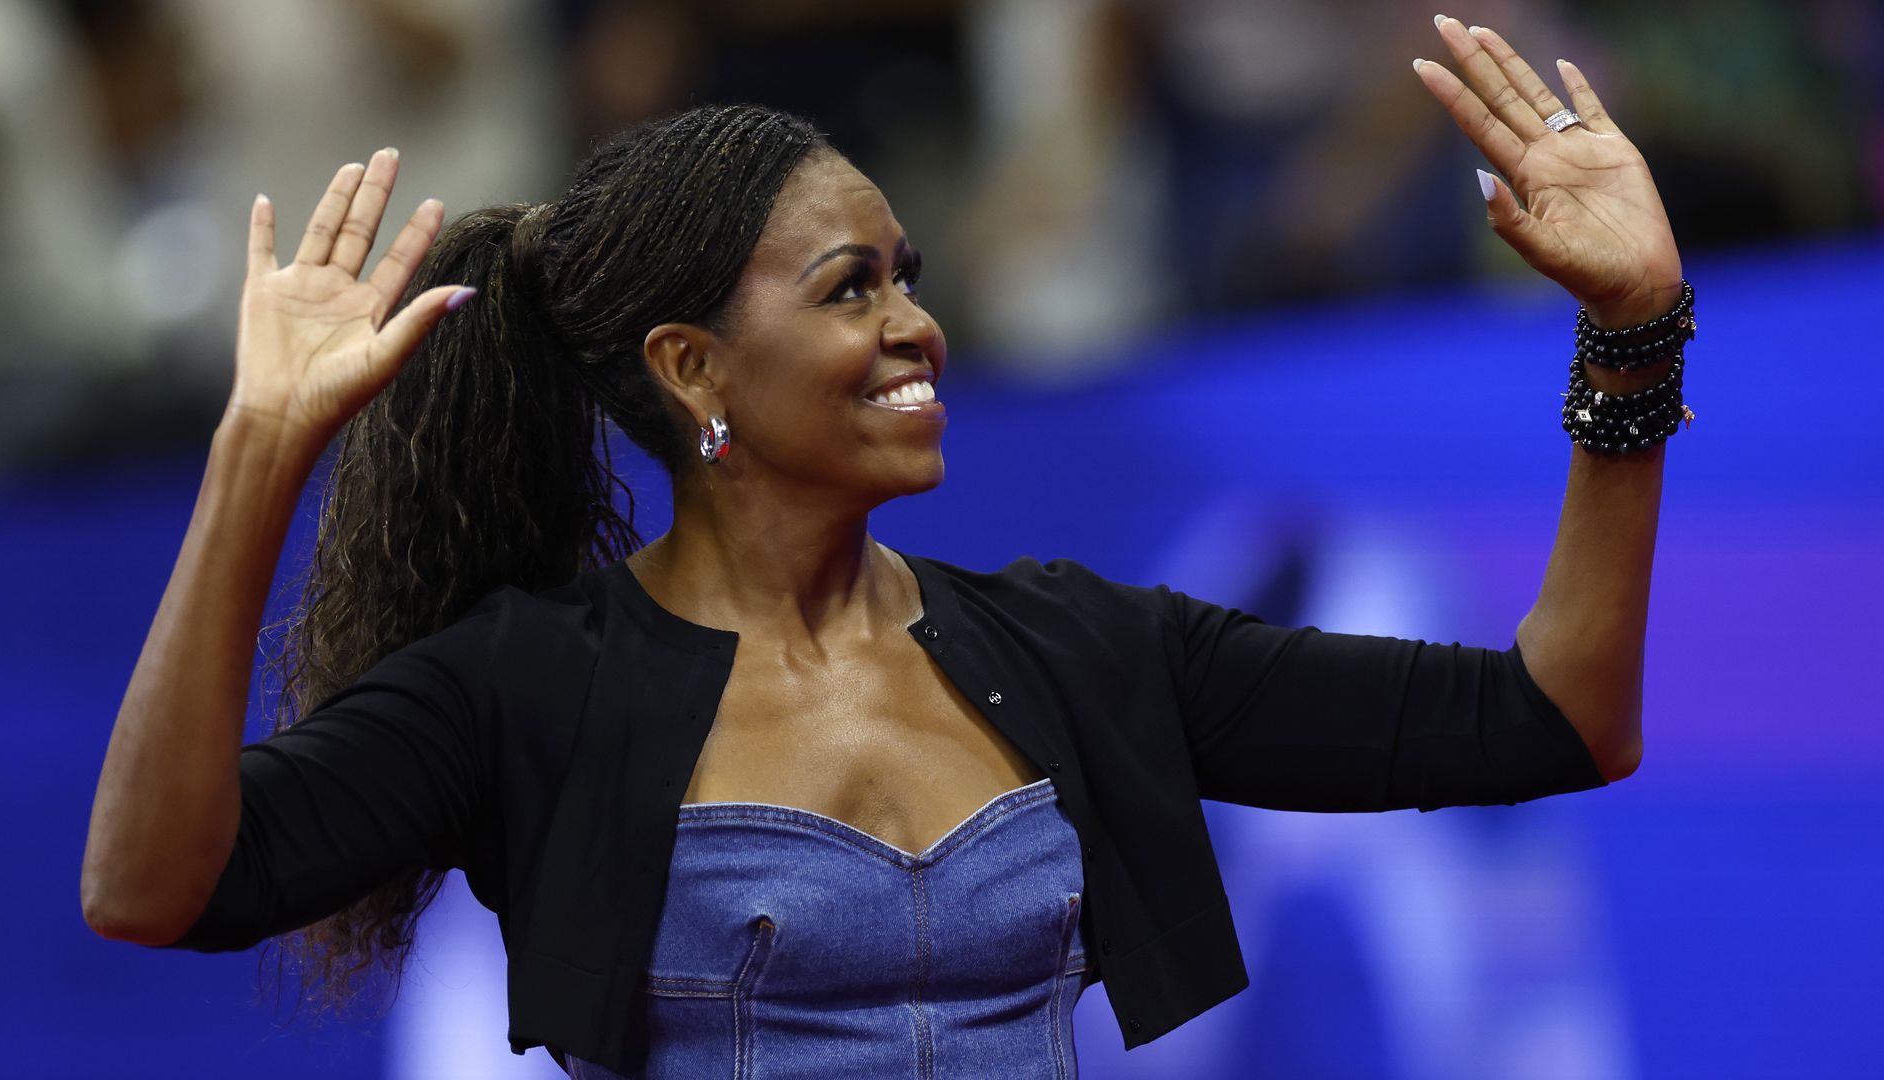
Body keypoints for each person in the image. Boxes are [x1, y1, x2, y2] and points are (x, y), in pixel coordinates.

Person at [81, 17, 1687, 1077]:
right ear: (691, 367)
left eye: (910, 275)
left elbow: (1560, 718)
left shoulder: (1079, 648)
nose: (918, 323)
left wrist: (1632, 336)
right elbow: (154, 886)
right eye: (852, 287)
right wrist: (256, 456)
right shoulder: (531, 689)